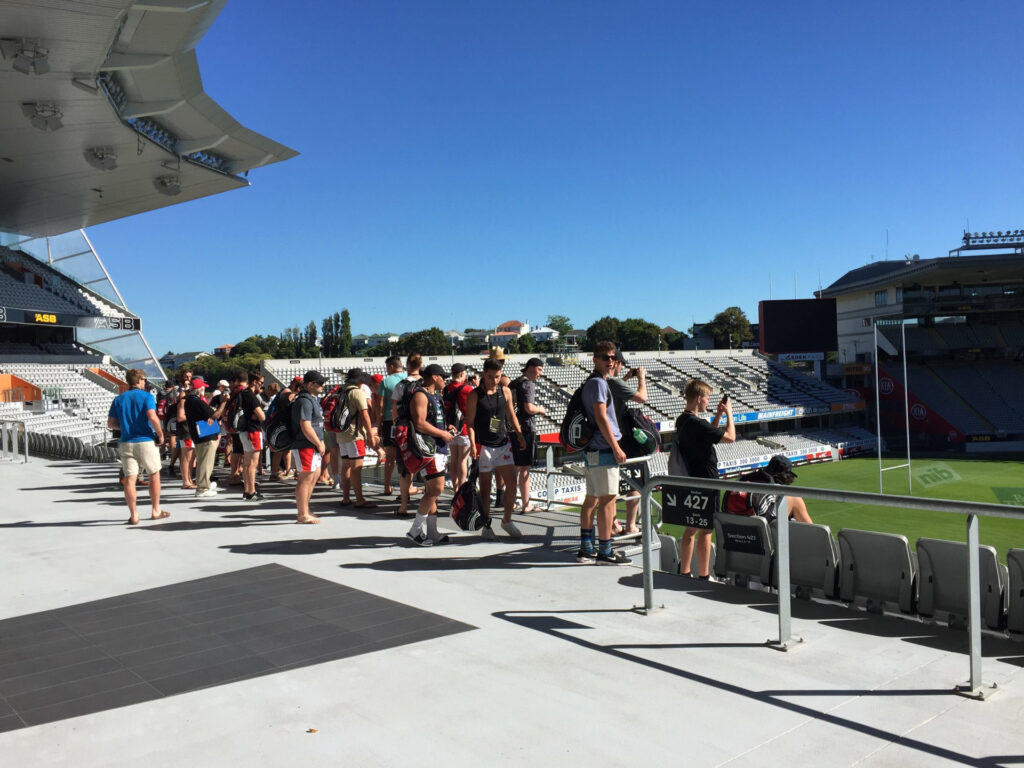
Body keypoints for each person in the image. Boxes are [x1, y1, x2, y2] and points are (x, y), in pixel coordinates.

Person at [674, 378, 735, 578]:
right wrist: (729, 414)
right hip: (708, 481)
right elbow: (730, 438)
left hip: (692, 480)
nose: (709, 401)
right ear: (699, 399)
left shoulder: (683, 420)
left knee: (691, 526)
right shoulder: (696, 422)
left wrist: (717, 415)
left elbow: (708, 436)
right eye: (707, 398)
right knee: (706, 530)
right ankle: (703, 575)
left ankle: (685, 572)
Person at [576, 342, 630, 565]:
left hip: (594, 450)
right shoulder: (598, 383)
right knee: (608, 501)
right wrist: (616, 447)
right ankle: (605, 551)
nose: (609, 361)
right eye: (604, 357)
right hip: (604, 448)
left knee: (592, 499)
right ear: (595, 359)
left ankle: (586, 548)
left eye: (612, 357)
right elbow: (601, 417)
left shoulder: (594, 382)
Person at [465, 358, 527, 539]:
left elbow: (511, 415)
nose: (494, 380)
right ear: (484, 374)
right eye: (491, 377)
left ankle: (507, 520)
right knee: (485, 489)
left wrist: (519, 434)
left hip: (503, 444)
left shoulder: (505, 391)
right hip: (484, 446)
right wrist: (472, 443)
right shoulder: (475, 395)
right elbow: (469, 423)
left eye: (498, 376)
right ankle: (486, 525)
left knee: (512, 484)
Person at [107, 368, 167, 524]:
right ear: (140, 379)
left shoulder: (119, 399)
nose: (145, 382)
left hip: (126, 442)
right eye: (144, 380)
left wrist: (126, 427)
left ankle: (134, 515)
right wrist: (160, 434)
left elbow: (111, 424)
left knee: (130, 478)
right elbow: (152, 417)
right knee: (154, 475)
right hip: (145, 440)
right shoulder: (146, 396)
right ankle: (155, 510)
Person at [405, 364, 456, 546]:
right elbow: (419, 423)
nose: (445, 380)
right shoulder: (421, 395)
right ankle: (415, 530)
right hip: (429, 449)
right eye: (444, 377)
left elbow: (431, 421)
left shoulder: (434, 396)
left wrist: (446, 428)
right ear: (435, 377)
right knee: (436, 489)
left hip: (437, 448)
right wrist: (442, 434)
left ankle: (432, 532)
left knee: (432, 491)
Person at [608, 350, 647, 534]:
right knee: (634, 484)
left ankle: (613, 524)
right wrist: (641, 378)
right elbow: (642, 398)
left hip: (608, 440)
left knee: (611, 487)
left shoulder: (602, 381)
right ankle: (631, 525)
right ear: (616, 363)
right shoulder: (612, 381)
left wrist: (626, 377)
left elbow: (616, 390)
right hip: (622, 441)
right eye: (621, 364)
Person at [337, 368, 381, 508]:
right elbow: (365, 415)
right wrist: (369, 435)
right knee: (356, 467)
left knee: (345, 466)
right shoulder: (357, 393)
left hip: (341, 433)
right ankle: (360, 499)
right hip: (354, 434)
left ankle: (345, 498)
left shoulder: (341, 390)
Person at [725, 454, 813, 523]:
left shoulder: (747, 484)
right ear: (786, 475)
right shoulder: (792, 496)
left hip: (737, 539)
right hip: (768, 542)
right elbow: (812, 530)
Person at [510, 357, 546, 514]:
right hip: (524, 429)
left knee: (514, 467)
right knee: (524, 468)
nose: (540, 374)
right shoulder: (527, 384)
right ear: (531, 367)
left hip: (512, 428)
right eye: (539, 370)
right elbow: (529, 408)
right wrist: (541, 409)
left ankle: (510, 501)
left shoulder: (514, 382)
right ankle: (526, 504)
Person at [179, 376, 225, 497]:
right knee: (206, 462)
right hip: (206, 435)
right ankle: (203, 488)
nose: (204, 390)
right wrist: (224, 402)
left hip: (198, 435)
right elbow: (215, 415)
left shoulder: (189, 401)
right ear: (199, 389)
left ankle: (204, 483)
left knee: (202, 461)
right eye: (203, 388)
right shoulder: (196, 401)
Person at [391, 353, 424, 518]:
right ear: (421, 364)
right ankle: (430, 507)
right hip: (423, 429)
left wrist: (398, 426)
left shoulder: (401, 385)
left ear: (406, 365)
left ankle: (403, 505)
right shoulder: (425, 383)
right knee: (428, 467)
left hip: (405, 429)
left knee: (404, 468)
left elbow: (394, 410)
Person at [292, 370, 327, 524]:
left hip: (312, 444)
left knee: (312, 477)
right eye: (320, 383)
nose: (323, 386)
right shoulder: (304, 400)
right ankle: (302, 513)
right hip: (304, 444)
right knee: (305, 479)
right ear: (310, 384)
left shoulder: (312, 399)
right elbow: (305, 425)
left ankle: (305, 509)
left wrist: (320, 441)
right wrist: (319, 442)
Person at [376, 356, 406, 495]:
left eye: (387, 367)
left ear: (392, 366)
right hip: (406, 420)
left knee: (390, 457)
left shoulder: (386, 381)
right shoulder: (409, 378)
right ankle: (407, 487)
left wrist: (379, 423)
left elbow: (380, 405)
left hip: (390, 421)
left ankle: (387, 486)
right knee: (406, 455)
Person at [442, 363, 473, 492]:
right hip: (464, 428)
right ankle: (461, 487)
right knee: (463, 460)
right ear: (461, 374)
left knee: (454, 459)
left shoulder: (446, 388)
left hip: (451, 428)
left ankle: (455, 487)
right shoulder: (467, 389)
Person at [238, 371, 267, 501]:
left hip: (244, 430)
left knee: (246, 462)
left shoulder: (243, 393)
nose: (261, 386)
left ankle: (246, 490)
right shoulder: (251, 395)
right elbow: (262, 416)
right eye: (260, 383)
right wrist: (257, 415)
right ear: (254, 382)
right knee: (252, 463)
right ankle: (251, 491)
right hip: (253, 430)